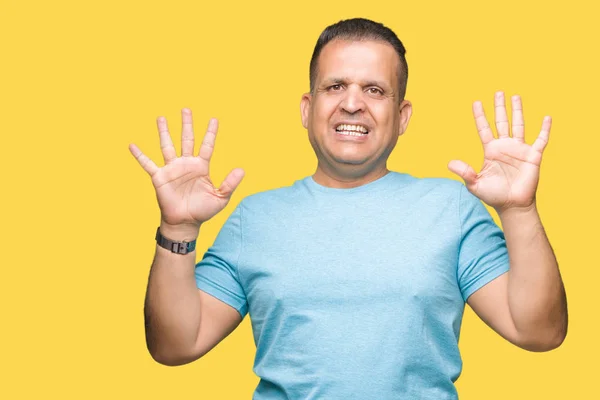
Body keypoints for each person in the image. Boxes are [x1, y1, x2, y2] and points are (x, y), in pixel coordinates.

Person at [129, 18, 567, 399]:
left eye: (374, 89)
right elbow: (175, 346)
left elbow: (539, 332)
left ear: (402, 116)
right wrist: (179, 228)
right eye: (335, 86)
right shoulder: (254, 218)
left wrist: (519, 211)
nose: (352, 102)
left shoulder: (452, 208)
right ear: (308, 107)